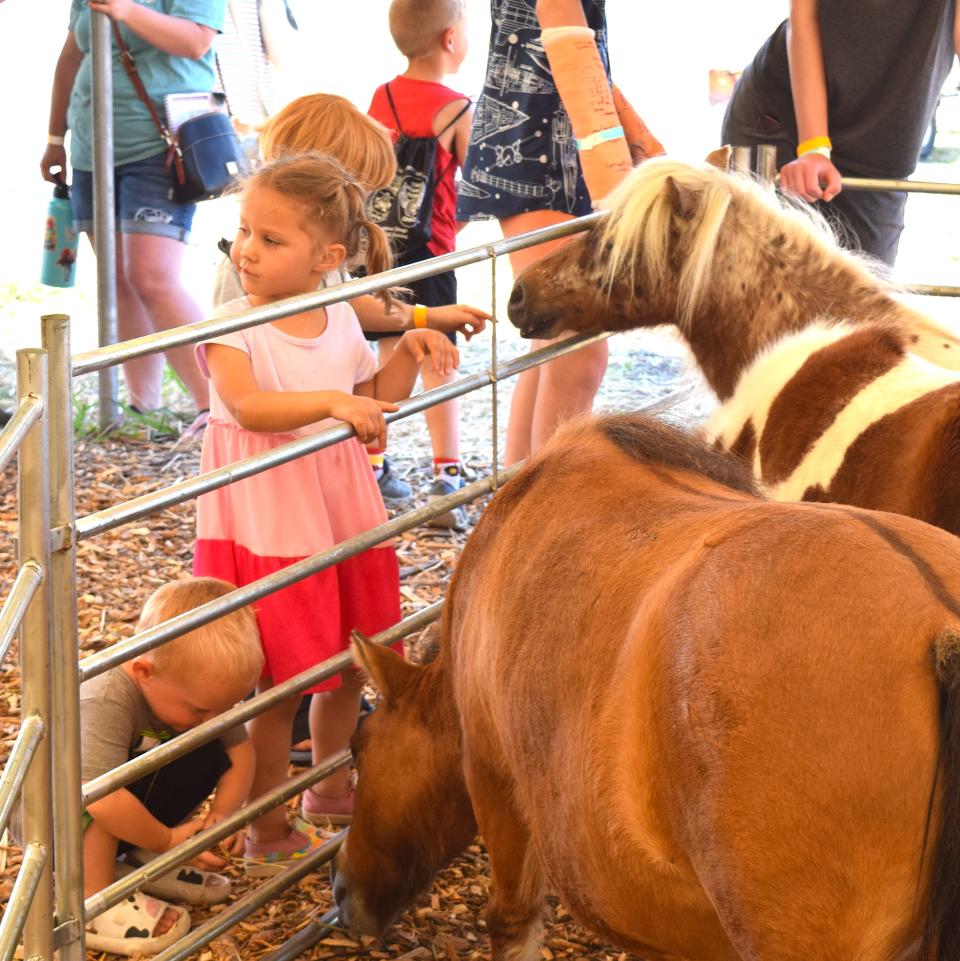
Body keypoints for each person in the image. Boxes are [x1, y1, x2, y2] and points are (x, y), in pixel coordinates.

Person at [193, 152, 459, 874]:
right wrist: (338, 403)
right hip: (270, 524)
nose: (247, 250)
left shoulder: (338, 315)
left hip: (340, 514)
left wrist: (407, 348)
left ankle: (330, 786)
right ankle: (267, 823)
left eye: (271, 240)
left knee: (346, 665)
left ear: (328, 258)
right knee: (276, 686)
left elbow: (377, 393)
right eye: (244, 231)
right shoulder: (231, 326)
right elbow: (250, 405)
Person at [211, 92, 490, 504]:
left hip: (322, 443)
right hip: (270, 457)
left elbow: (348, 308)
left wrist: (426, 318)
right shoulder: (249, 274)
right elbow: (242, 391)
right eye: (351, 192)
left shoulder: (319, 266)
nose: (357, 210)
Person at [457, 0, 661, 465]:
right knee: (577, 346)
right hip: (535, 145)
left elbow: (581, 51)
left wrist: (635, 135)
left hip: (554, 137)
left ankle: (517, 503)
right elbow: (567, 45)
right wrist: (615, 178)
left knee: (550, 340)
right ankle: (548, 508)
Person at [40, 0, 223, 434]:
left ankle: (218, 404)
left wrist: (126, 11)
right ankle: (144, 407)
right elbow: (72, 54)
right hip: (92, 145)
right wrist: (54, 137)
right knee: (118, 277)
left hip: (162, 143)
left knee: (151, 276)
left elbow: (196, 40)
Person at [81, 578, 263, 957]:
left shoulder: (192, 695)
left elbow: (240, 753)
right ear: (145, 671)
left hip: (131, 796)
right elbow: (100, 798)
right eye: (199, 709)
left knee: (207, 748)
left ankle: (141, 857)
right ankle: (93, 901)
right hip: (62, 814)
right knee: (98, 796)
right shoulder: (108, 698)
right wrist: (166, 840)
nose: (213, 719)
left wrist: (223, 816)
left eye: (226, 708)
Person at [721, 0, 959, 268]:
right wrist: (815, 148)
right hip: (783, 121)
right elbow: (803, 18)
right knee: (759, 287)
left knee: (862, 300)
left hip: (881, 145)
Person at [367, 0, 475, 529]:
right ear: (451, 39)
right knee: (440, 361)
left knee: (390, 361)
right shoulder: (456, 108)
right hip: (433, 254)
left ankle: (374, 467)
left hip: (382, 256)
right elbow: (472, 187)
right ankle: (446, 476)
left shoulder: (379, 98)